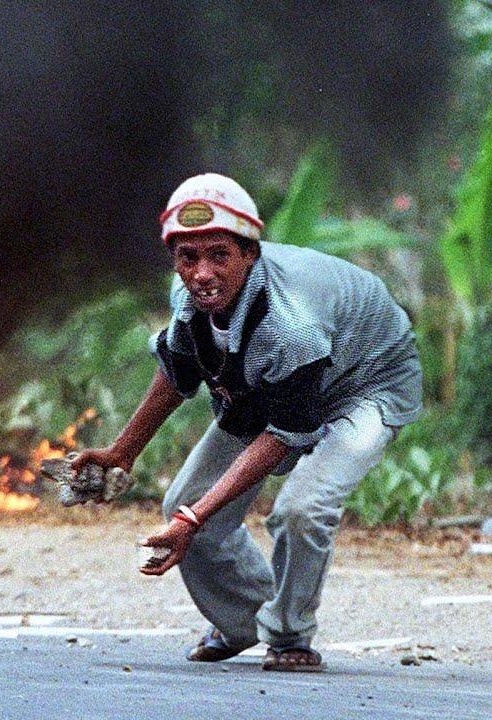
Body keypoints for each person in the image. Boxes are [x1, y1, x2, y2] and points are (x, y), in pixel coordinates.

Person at [70, 173, 422, 672]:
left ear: (250, 254)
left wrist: (196, 519)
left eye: (219, 255)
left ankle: (290, 635)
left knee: (301, 509)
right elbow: (178, 372)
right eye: (188, 258)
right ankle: (243, 622)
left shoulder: (290, 325)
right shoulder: (188, 297)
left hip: (365, 382)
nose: (202, 274)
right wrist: (122, 452)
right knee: (182, 503)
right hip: (280, 381)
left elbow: (283, 435)